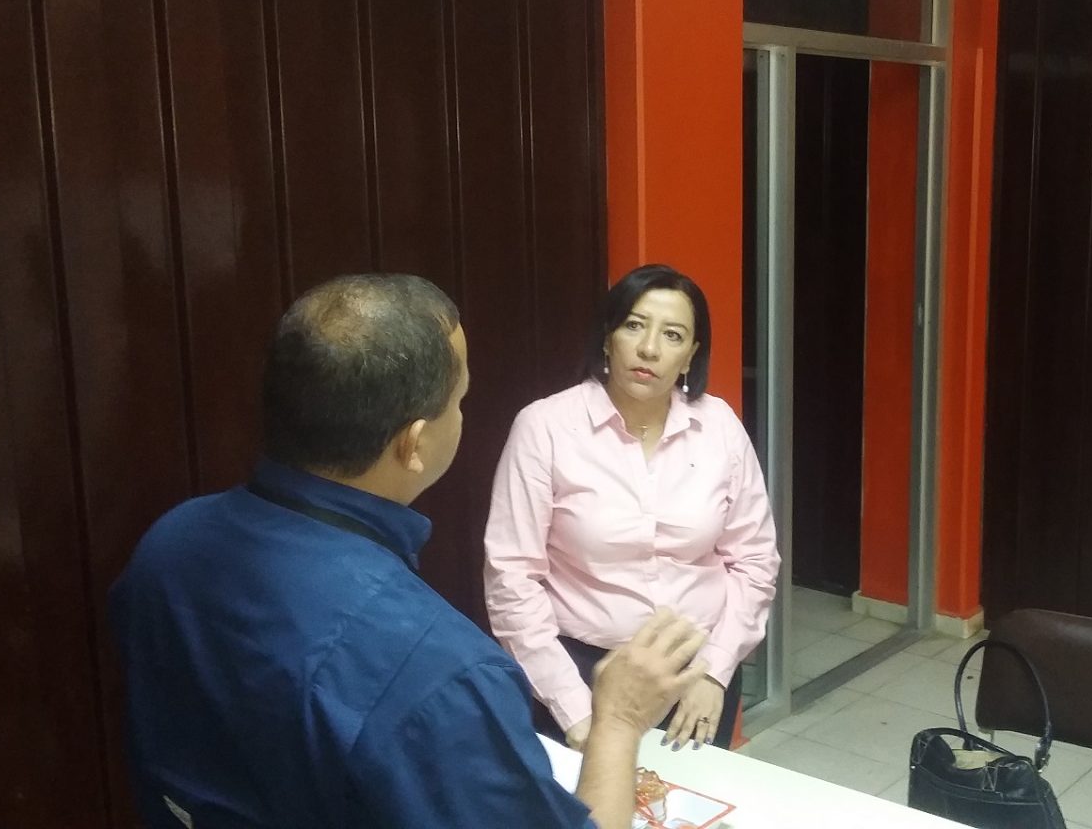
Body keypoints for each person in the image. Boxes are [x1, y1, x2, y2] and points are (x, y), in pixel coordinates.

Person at [110, 274, 706, 829]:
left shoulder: (169, 544)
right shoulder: (440, 671)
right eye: (460, 400)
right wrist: (618, 721)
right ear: (414, 443)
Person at [485, 264, 780, 753]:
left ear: (690, 355)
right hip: (583, 673)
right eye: (634, 326)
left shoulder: (720, 426)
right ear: (608, 338)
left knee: (691, 798)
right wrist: (574, 709)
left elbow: (755, 559)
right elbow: (511, 577)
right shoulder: (545, 427)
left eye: (672, 335)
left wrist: (715, 671)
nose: (649, 349)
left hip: (697, 675)